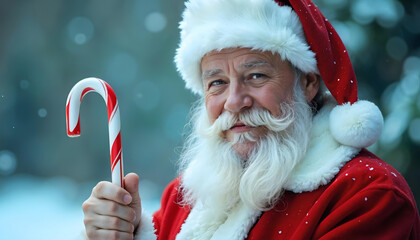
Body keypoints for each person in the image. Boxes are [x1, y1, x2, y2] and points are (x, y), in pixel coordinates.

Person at [80, 0, 420, 239]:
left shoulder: (367, 196)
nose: (234, 102)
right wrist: (122, 234)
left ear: (308, 81)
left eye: (256, 76)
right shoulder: (184, 197)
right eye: (217, 83)